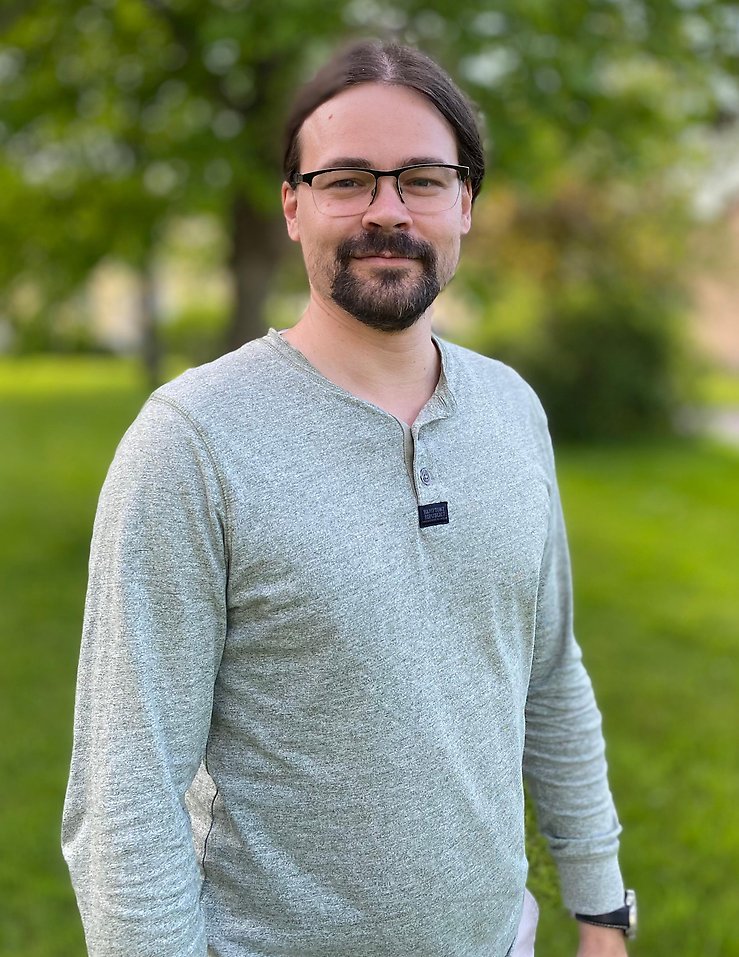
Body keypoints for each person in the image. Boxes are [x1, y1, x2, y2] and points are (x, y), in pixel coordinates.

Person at [62, 40, 636, 957]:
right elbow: (125, 785)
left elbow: (549, 672)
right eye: (346, 181)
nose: (386, 211)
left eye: (421, 180)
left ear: (464, 204)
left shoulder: (511, 411)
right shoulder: (191, 442)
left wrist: (601, 907)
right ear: (293, 205)